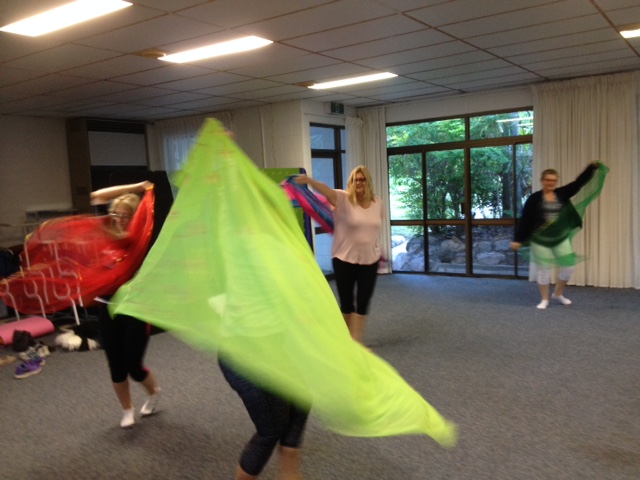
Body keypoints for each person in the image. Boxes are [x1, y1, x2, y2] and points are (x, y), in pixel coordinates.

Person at [90, 181, 161, 428]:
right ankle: (127, 409)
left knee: (134, 366)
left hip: (135, 309)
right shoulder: (105, 234)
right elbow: (96, 195)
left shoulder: (140, 239)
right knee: (116, 366)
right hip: (107, 308)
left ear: (135, 218)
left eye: (125, 216)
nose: (119, 220)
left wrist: (144, 193)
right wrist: (136, 187)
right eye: (116, 214)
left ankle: (153, 392)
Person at [295, 166, 383, 344]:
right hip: (344, 259)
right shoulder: (342, 199)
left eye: (362, 179)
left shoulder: (377, 203)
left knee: (363, 301)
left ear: (368, 182)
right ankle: (347, 342)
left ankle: (356, 342)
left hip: (370, 259)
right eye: (355, 180)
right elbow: (326, 190)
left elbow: (374, 228)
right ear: (351, 182)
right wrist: (310, 181)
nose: (359, 183)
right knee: (347, 302)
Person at [510, 162, 601, 309]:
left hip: (560, 238)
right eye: (548, 180)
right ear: (542, 180)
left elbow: (578, 183)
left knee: (569, 267)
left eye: (553, 180)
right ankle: (544, 299)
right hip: (540, 239)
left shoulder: (562, 193)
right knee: (544, 269)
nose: (550, 183)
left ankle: (558, 294)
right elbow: (525, 220)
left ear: (556, 181)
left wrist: (591, 168)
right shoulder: (534, 199)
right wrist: (518, 239)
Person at [218, 359, 308, 480]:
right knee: (272, 429)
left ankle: (290, 475)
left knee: (300, 403)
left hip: (280, 356)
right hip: (248, 365)